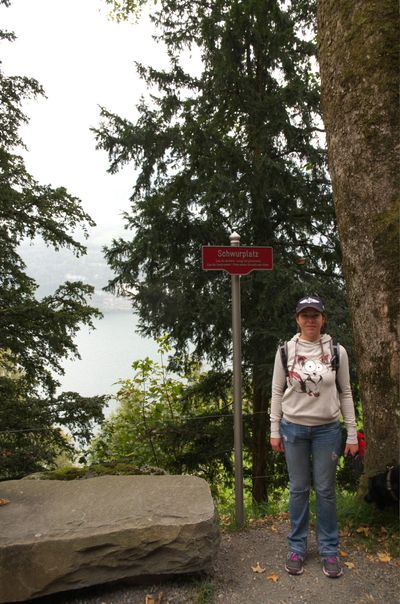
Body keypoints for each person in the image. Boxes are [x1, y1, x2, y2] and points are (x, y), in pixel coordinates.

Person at [270, 295, 358, 578]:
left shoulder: (337, 351)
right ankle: (296, 547)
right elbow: (276, 392)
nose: (310, 320)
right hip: (293, 428)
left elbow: (345, 392)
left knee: (325, 491)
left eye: (315, 315)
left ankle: (329, 550)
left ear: (323, 319)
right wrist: (274, 429)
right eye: (305, 315)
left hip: (328, 431)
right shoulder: (285, 351)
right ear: (297, 319)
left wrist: (352, 434)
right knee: (298, 490)